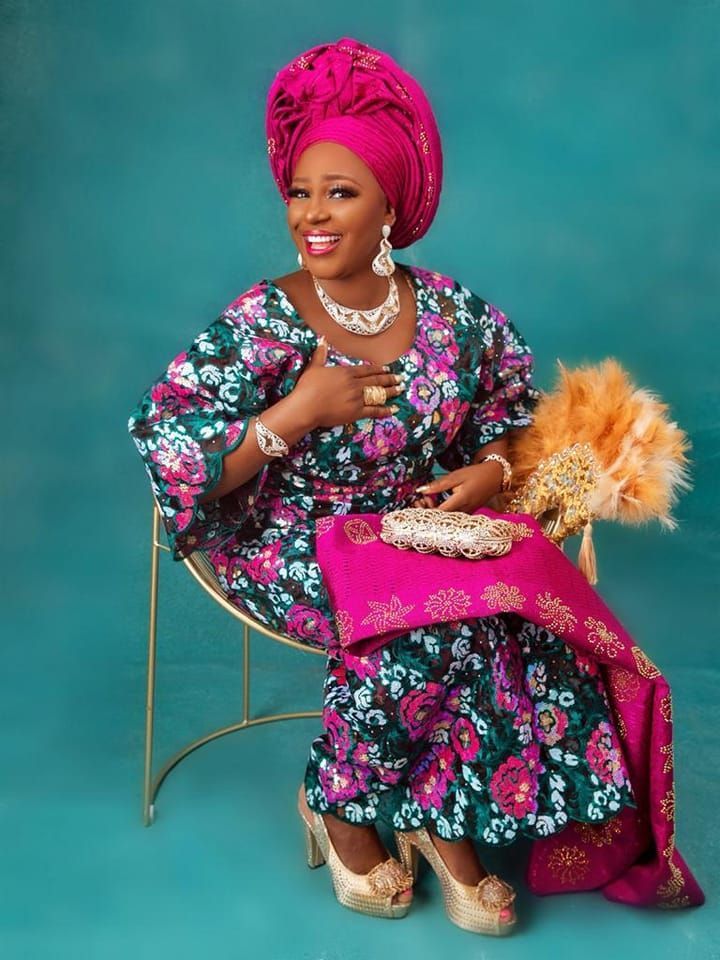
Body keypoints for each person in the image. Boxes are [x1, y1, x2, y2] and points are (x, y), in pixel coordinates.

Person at [128, 38, 640, 934]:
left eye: (340, 192)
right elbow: (168, 443)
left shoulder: (450, 313)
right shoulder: (265, 317)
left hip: (411, 529)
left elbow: (506, 419)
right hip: (286, 536)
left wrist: (485, 471)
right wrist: (297, 412)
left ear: (390, 208)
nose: (311, 215)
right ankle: (343, 806)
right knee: (420, 626)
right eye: (300, 191)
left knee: (511, 612)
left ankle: (441, 817)